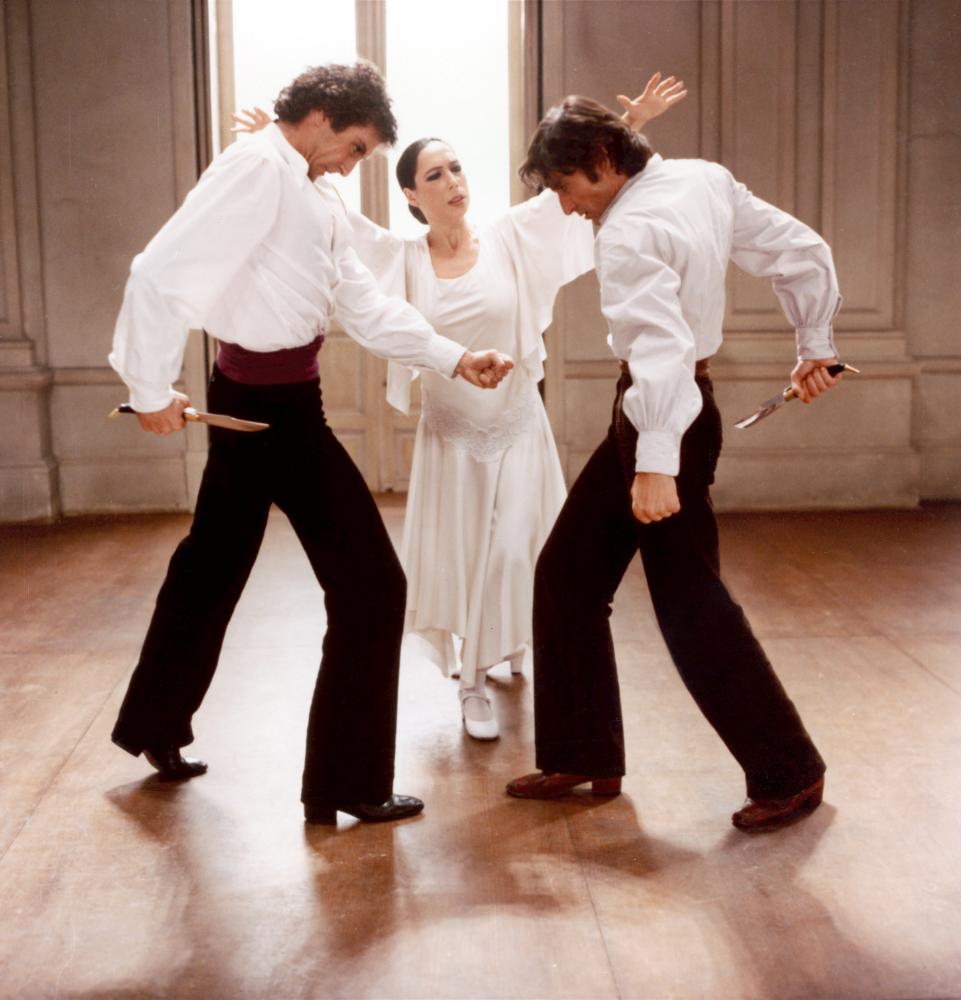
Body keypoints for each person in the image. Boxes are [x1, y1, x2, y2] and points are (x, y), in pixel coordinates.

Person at [108, 62, 513, 826]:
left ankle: (155, 725)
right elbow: (157, 274)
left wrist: (450, 355)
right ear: (323, 116)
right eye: (355, 148)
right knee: (371, 588)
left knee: (210, 566)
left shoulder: (310, 187)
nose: (352, 164)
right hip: (260, 414)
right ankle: (346, 785)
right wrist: (151, 391)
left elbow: (359, 301)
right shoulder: (257, 168)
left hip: (284, 403)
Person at [233, 73, 687, 741]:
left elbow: (593, 183)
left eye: (456, 167)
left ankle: (494, 657)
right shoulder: (399, 256)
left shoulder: (510, 235)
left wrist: (632, 125)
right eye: (434, 174)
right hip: (450, 439)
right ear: (413, 196)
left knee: (515, 553)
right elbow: (330, 214)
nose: (453, 181)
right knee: (468, 559)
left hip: (517, 431)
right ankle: (470, 684)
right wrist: (277, 154)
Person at [506, 96, 842, 832]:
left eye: (565, 187)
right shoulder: (701, 178)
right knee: (566, 573)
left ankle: (790, 771)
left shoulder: (626, 231)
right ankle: (582, 752)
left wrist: (655, 463)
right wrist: (813, 342)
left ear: (600, 163)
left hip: (666, 417)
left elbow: (659, 351)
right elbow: (801, 251)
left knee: (691, 605)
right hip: (661, 411)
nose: (564, 207)